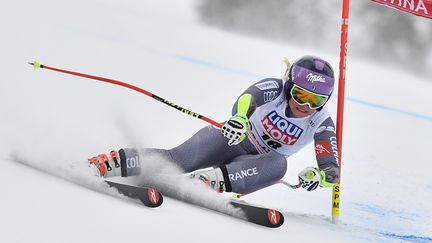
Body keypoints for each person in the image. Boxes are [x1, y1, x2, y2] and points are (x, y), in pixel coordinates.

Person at [88, 55, 340, 194]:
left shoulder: (321, 122)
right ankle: (106, 164)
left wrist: (318, 176)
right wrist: (240, 119)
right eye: (300, 95)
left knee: (279, 164)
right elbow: (247, 99)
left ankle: (205, 182)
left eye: (316, 100)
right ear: (288, 87)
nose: (306, 105)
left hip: (255, 166)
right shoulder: (274, 88)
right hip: (233, 138)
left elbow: (333, 172)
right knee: (177, 160)